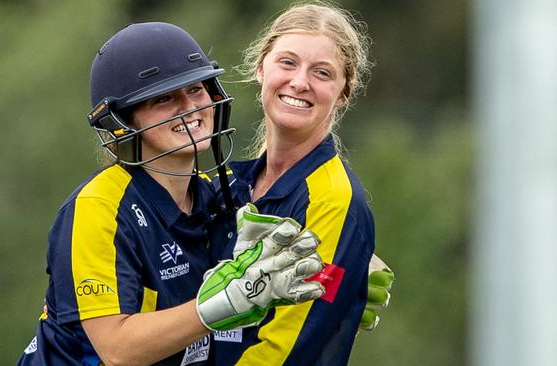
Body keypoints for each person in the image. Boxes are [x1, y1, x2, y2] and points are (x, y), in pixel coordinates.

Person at [16, 21, 326, 366]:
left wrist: (342, 272)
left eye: (195, 90)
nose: (189, 106)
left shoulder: (214, 196)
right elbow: (117, 349)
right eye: (164, 98)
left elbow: (293, 235)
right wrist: (225, 304)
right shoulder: (99, 206)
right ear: (123, 122)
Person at [208, 2, 389, 365]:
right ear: (261, 68)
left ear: (343, 92)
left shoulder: (333, 200)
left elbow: (285, 351)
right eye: (287, 62)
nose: (300, 82)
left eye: (322, 73)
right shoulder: (228, 184)